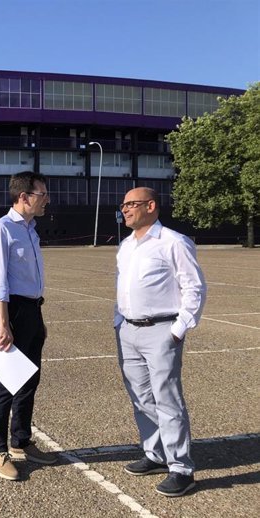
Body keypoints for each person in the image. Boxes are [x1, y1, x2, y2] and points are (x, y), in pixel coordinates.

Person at [114, 187, 206, 497]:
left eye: (132, 204)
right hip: (128, 330)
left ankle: (181, 467)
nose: (125, 209)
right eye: (124, 204)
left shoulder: (173, 242)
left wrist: (178, 329)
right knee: (140, 397)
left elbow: (194, 288)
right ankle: (155, 454)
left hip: (161, 330)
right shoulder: (126, 245)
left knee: (167, 398)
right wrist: (119, 321)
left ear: (151, 206)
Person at [0, 171, 57, 481]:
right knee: (7, 384)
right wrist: (3, 324)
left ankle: (21, 441)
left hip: (32, 310)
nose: (47, 200)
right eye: (42, 194)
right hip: (11, 311)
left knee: (30, 381)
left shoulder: (31, 229)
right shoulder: (2, 230)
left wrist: (37, 321)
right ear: (24, 196)